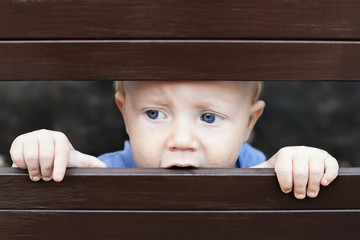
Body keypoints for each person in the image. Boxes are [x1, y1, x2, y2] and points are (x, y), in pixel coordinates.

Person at [10, 81, 339, 200]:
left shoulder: (263, 173)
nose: (181, 141)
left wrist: (300, 164)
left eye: (208, 117)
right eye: (154, 114)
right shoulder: (100, 173)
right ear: (124, 113)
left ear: (249, 123)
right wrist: (50, 154)